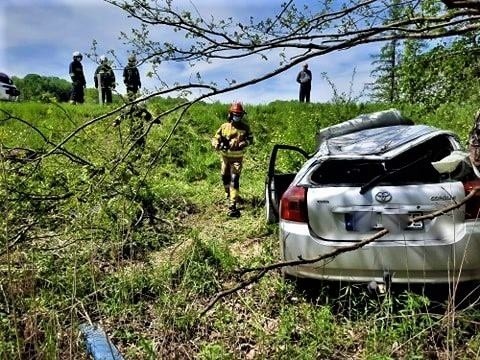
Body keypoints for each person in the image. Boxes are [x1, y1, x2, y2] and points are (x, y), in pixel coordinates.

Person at [211, 102, 254, 217]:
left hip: (237, 159)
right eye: (235, 114)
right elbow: (216, 137)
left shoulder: (245, 127)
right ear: (230, 114)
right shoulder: (224, 126)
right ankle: (229, 193)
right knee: (225, 177)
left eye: (239, 115)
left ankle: (233, 204)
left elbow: (251, 138)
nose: (237, 117)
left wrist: (244, 143)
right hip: (225, 158)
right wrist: (216, 143)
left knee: (234, 179)